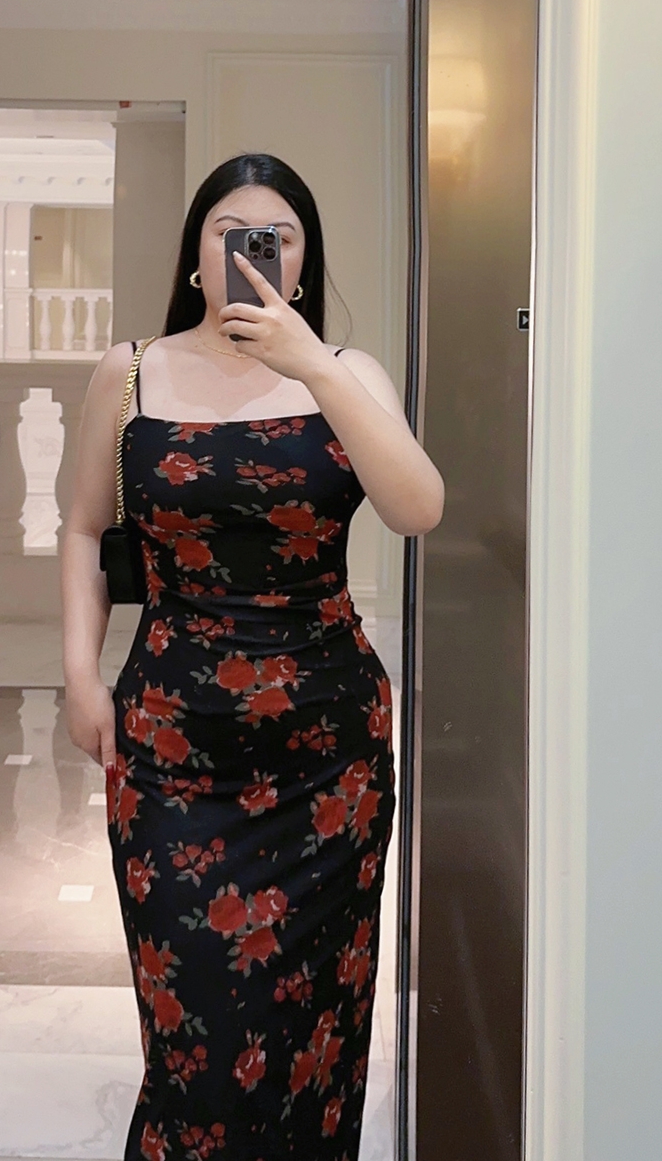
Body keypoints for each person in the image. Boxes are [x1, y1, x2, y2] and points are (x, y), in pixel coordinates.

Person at [61, 152, 444, 1161]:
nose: (250, 252)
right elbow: (83, 527)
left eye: (275, 237)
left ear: (304, 260)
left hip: (328, 760)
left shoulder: (347, 374)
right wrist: (78, 673)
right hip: (170, 750)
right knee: (194, 1047)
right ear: (196, 256)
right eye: (229, 233)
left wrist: (312, 364)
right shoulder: (130, 372)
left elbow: (418, 509)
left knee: (314, 1036)